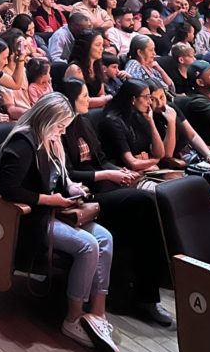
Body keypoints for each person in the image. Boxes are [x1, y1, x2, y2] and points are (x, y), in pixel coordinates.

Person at [0, 94, 119, 352]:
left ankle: (98, 313)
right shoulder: (22, 144)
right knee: (88, 245)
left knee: (105, 237)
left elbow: (59, 179)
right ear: (46, 120)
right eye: (60, 126)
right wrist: (51, 200)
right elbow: (8, 189)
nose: (63, 132)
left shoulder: (52, 140)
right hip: (32, 217)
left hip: (56, 210)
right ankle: (72, 319)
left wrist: (72, 188)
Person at [59, 79, 172, 326]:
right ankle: (145, 295)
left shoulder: (84, 123)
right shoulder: (60, 130)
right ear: (70, 100)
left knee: (153, 208)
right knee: (145, 201)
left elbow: (99, 159)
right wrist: (108, 174)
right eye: (84, 96)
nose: (89, 100)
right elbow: (66, 175)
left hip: (104, 187)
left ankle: (144, 290)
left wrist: (119, 173)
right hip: (84, 196)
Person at [97, 79, 165, 171]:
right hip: (124, 174)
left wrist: (151, 122)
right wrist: (153, 161)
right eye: (146, 97)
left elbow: (160, 153)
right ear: (133, 99)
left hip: (144, 170)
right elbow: (132, 163)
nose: (149, 102)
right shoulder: (113, 121)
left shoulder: (139, 115)